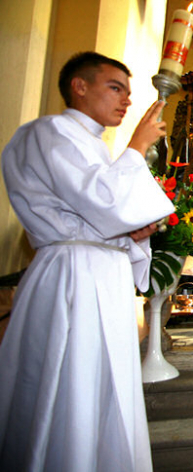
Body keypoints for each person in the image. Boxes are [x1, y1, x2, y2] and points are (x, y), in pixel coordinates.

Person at [0, 51, 174, 471]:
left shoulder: (93, 144)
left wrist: (131, 233)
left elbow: (97, 213)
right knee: (70, 384)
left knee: (105, 387)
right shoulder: (48, 132)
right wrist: (137, 146)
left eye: (128, 92)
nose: (126, 100)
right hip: (73, 275)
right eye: (115, 88)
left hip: (102, 272)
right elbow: (101, 201)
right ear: (79, 86)